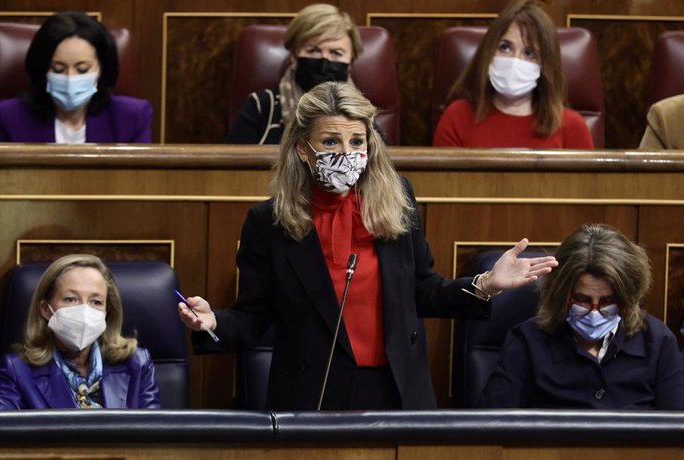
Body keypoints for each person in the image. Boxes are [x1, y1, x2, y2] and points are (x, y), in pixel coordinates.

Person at [179, 81, 557, 411]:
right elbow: (255, 317)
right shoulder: (271, 223)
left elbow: (422, 290)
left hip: (396, 389)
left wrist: (485, 283)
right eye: (330, 141)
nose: (346, 152)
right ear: (301, 149)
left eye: (356, 140)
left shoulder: (397, 199)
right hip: (315, 392)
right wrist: (213, 323)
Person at [478, 223, 684, 410]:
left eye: (607, 302)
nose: (594, 312)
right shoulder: (527, 341)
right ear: (562, 295)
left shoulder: (657, 342)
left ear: (626, 299)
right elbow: (489, 430)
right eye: (582, 300)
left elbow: (675, 434)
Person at [0, 254, 160, 409]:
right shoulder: (17, 371)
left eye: (96, 302)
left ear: (107, 312)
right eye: (70, 299)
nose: (84, 311)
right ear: (46, 309)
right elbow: (5, 438)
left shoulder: (137, 363)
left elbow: (154, 435)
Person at [432, 0, 593, 149]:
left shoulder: (571, 126)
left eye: (529, 53)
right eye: (505, 47)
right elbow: (444, 180)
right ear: (488, 52)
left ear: (545, 66)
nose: (515, 60)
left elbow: (586, 181)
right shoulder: (457, 116)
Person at [0, 11, 152, 143]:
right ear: (43, 70)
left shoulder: (132, 117)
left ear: (101, 69)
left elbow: (138, 179)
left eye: (82, 70)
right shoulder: (8, 118)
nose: (70, 78)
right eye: (58, 69)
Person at [226, 3, 362, 144]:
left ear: (351, 61)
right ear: (294, 55)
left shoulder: (362, 113)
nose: (324, 60)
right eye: (313, 50)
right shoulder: (262, 107)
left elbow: (381, 162)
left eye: (336, 53)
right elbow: (232, 163)